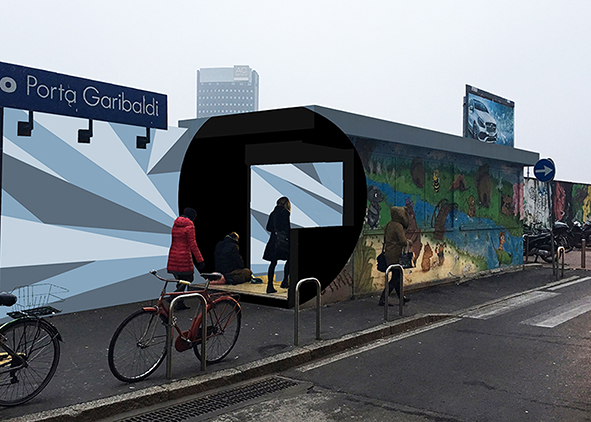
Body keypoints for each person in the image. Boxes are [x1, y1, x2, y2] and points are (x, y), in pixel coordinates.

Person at [167, 208, 205, 308]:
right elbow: (193, 244)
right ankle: (173, 297)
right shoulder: (190, 225)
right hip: (183, 257)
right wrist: (200, 260)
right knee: (188, 279)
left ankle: (179, 303)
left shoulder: (176, 224)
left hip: (173, 256)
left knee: (180, 280)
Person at [378, 206, 411, 306]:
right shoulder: (398, 226)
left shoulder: (389, 225)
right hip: (396, 255)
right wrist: (409, 241)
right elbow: (402, 241)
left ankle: (402, 298)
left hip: (388, 253)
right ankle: (383, 298)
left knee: (397, 276)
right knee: (395, 277)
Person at [263, 197, 291, 293]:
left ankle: (269, 285)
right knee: (290, 259)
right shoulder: (285, 213)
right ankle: (285, 281)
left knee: (273, 263)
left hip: (273, 241)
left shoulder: (273, 213)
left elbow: (268, 227)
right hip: (282, 242)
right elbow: (287, 228)